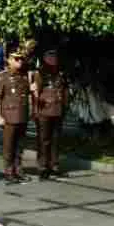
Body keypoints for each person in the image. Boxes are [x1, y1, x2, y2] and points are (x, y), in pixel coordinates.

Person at [0, 51, 32, 184]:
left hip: (22, 115)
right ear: (9, 60)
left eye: (21, 59)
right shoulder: (2, 76)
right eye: (16, 59)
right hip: (9, 116)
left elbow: (27, 95)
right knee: (9, 145)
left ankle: (18, 169)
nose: (19, 62)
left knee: (20, 145)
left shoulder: (24, 76)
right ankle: (9, 171)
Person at [32, 49, 68, 180]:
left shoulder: (60, 73)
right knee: (43, 140)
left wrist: (64, 107)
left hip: (57, 110)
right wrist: (35, 110)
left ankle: (54, 165)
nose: (53, 60)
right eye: (50, 57)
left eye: (55, 57)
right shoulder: (40, 73)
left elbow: (64, 90)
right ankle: (42, 167)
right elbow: (36, 93)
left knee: (56, 139)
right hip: (44, 111)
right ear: (45, 59)